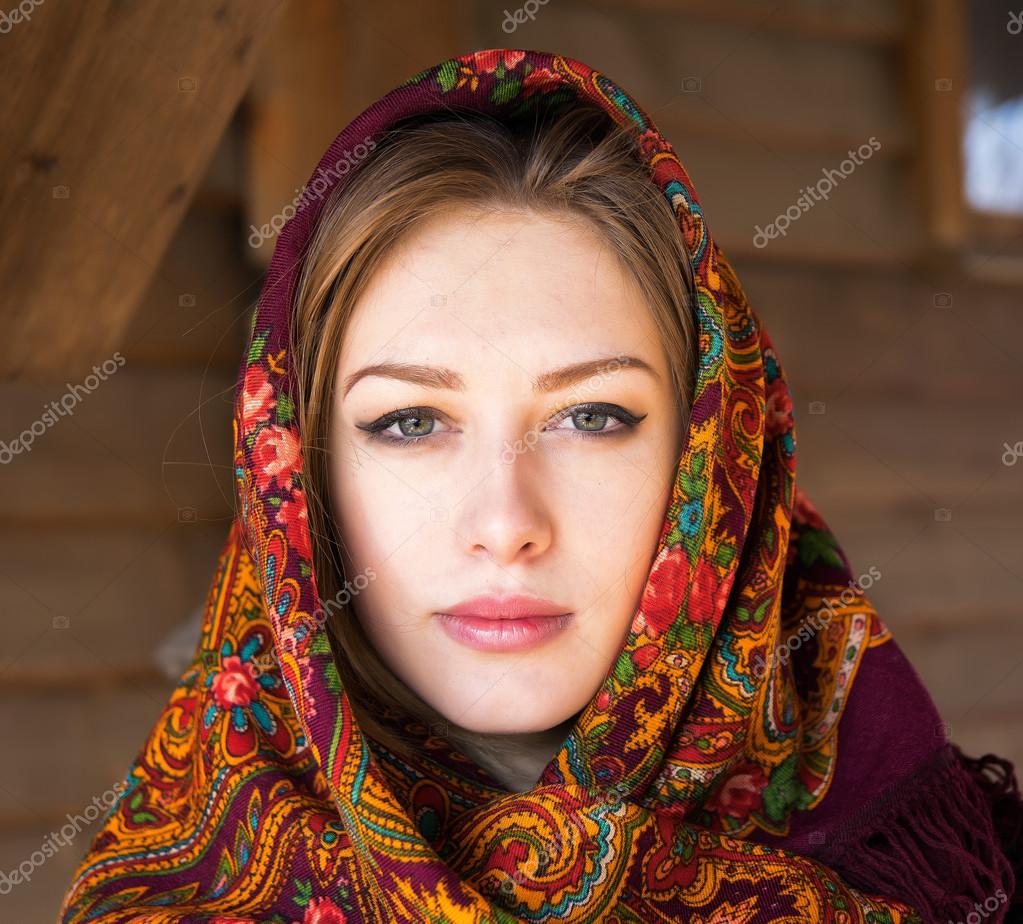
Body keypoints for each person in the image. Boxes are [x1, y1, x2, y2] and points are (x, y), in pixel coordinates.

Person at [60, 48, 1022, 924]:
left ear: (712, 463)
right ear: (299, 481)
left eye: (592, 416)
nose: (503, 524)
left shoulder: (936, 885)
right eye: (409, 423)